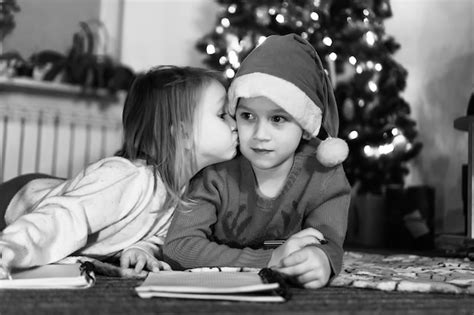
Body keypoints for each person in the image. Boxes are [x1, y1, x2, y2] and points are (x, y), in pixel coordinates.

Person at [0, 65, 238, 277]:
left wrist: (141, 248)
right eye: (222, 115)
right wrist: (8, 249)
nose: (235, 123)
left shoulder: (186, 187)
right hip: (14, 204)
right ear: (183, 134)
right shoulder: (128, 179)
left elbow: (159, 233)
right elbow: (59, 218)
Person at [163, 34, 351, 289]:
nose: (260, 135)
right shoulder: (217, 170)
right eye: (248, 116)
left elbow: (329, 242)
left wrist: (321, 259)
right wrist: (268, 259)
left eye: (277, 119)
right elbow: (179, 247)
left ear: (306, 126)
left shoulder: (323, 172)